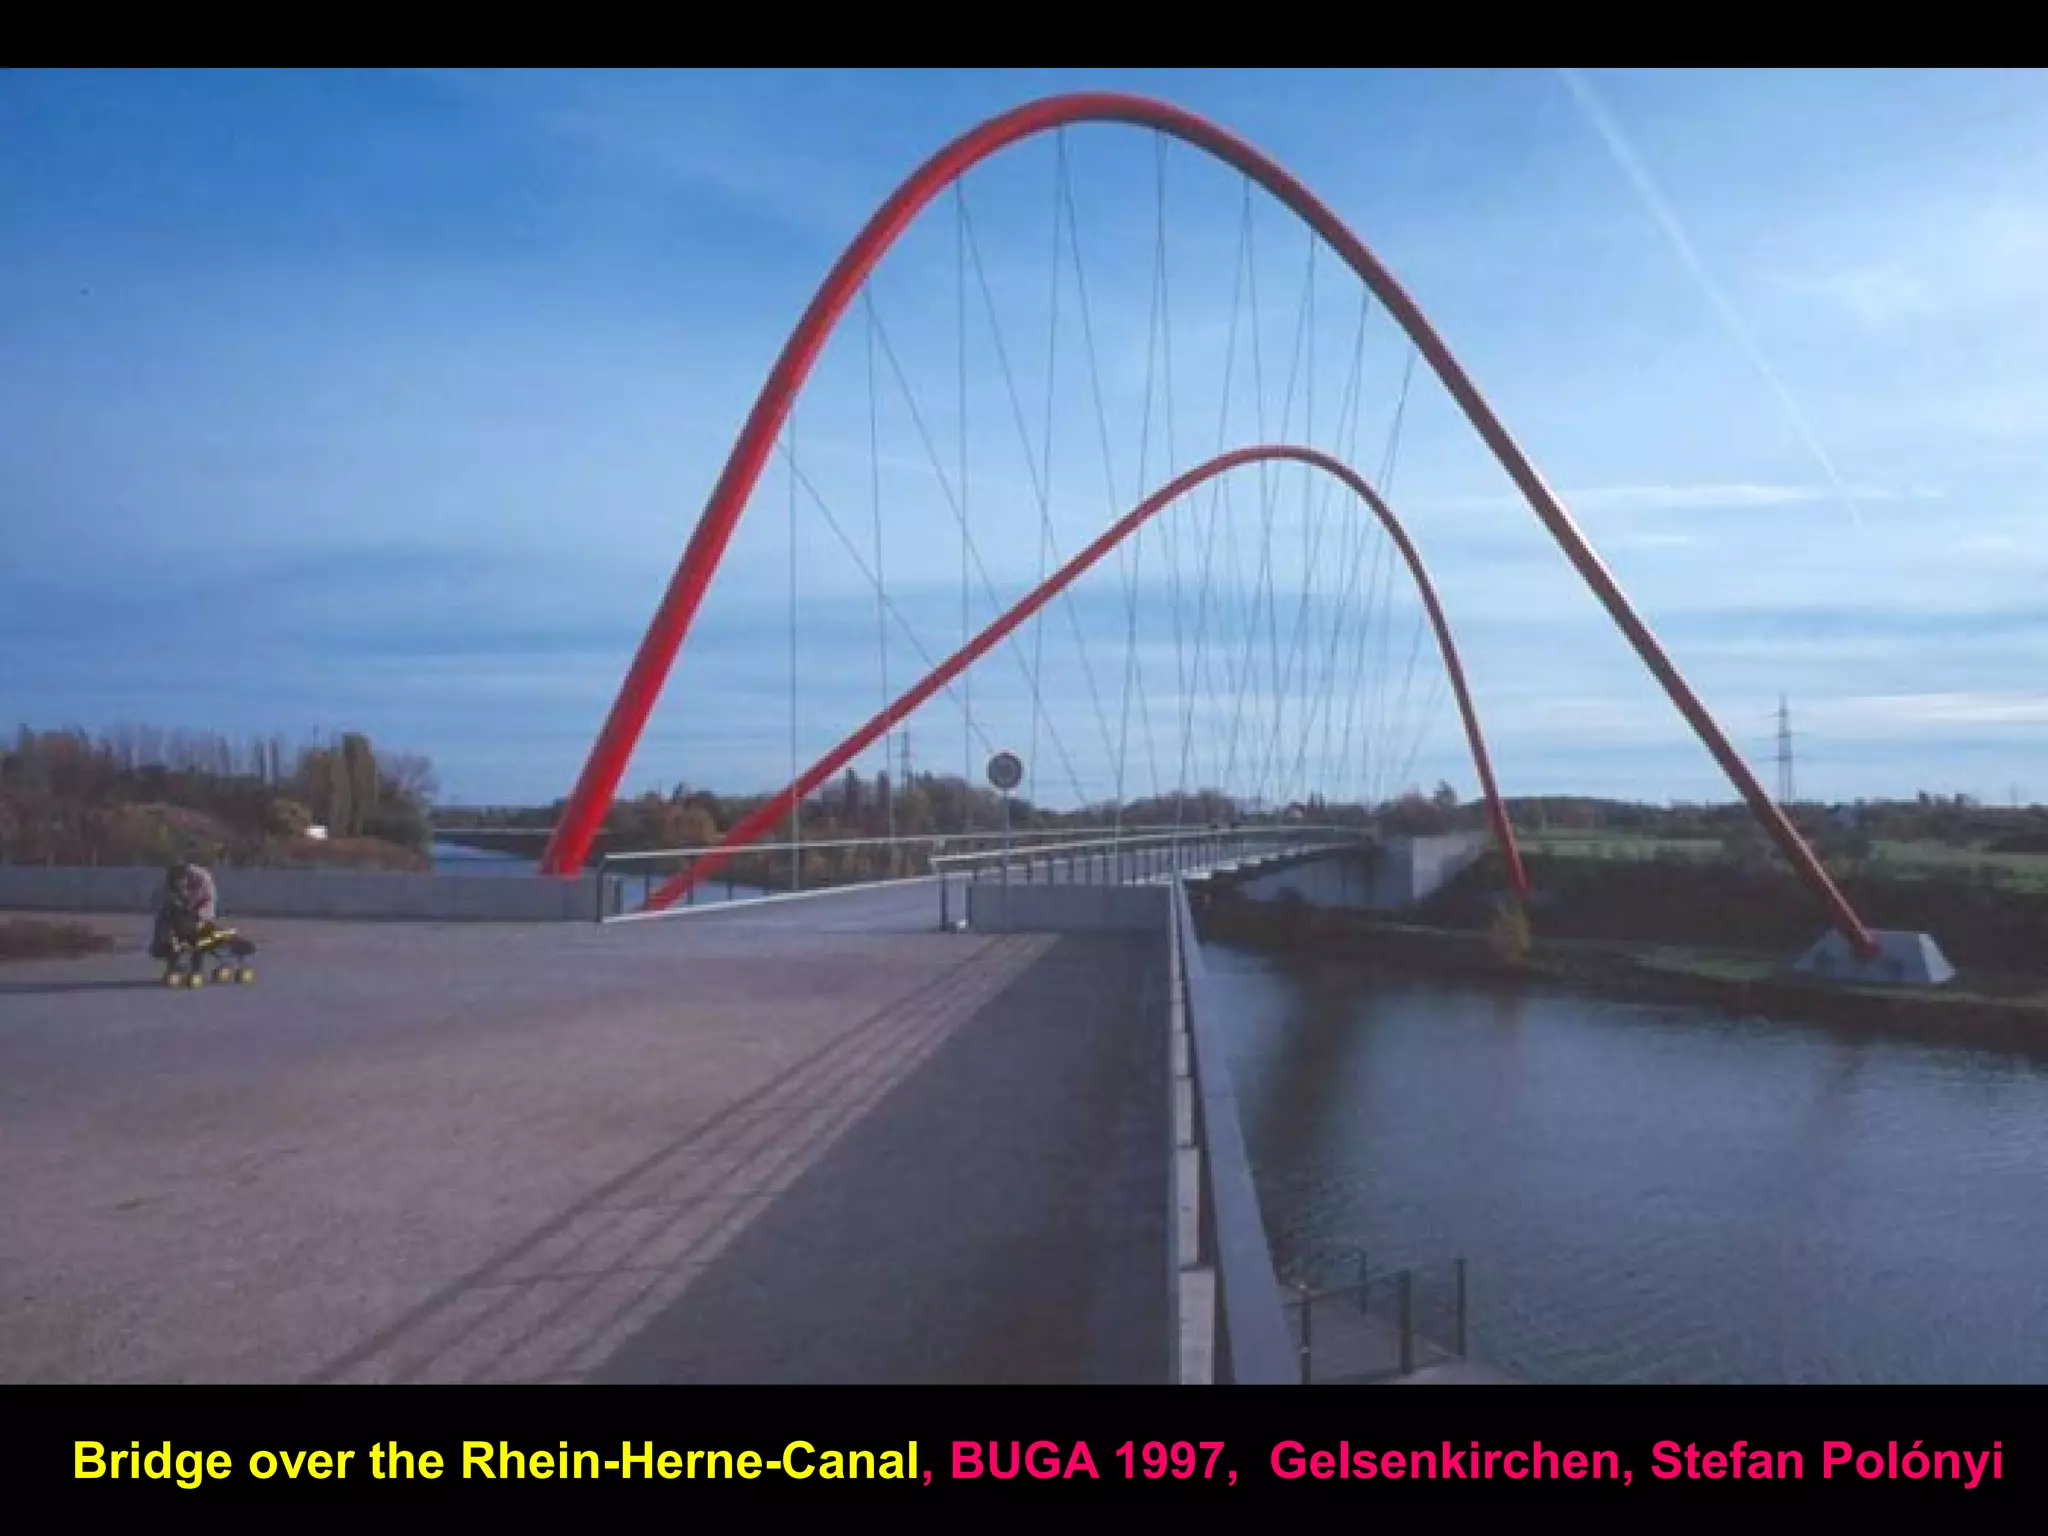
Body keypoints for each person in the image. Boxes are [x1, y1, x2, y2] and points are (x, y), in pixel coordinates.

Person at [151, 859, 218, 961]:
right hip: (181, 913)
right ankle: (162, 945)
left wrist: (191, 907)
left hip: (201, 910)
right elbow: (160, 897)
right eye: (177, 882)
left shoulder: (201, 877)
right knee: (164, 915)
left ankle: (196, 966)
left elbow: (208, 898)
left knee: (197, 932)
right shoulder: (169, 880)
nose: (179, 884)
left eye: (181, 881)